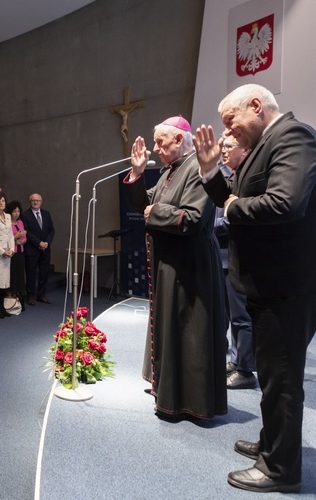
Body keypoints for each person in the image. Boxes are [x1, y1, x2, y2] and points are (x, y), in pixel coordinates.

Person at [194, 84, 316, 493]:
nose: (227, 133)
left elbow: (286, 202)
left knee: (282, 380)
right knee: (270, 375)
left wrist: (231, 207)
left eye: (231, 123)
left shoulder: (293, 137)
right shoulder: (266, 145)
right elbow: (233, 197)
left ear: (257, 107)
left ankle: (281, 469)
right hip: (268, 284)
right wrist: (211, 172)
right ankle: (271, 444)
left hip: (287, 285)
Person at [125, 115, 227, 420]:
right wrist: (138, 172)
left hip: (191, 265)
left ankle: (187, 401)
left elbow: (192, 218)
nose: (155, 149)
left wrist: (155, 212)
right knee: (172, 327)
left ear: (179, 140)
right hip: (171, 263)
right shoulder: (172, 172)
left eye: (160, 142)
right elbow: (142, 204)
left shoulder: (197, 168)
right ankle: (168, 389)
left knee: (188, 331)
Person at [213, 136, 255, 390]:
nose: (224, 150)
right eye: (223, 146)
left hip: (236, 257)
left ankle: (245, 370)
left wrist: (213, 225)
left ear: (245, 149)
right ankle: (234, 359)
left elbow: (234, 217)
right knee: (226, 316)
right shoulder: (223, 176)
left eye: (230, 146)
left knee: (242, 317)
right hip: (219, 256)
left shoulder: (245, 178)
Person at [21, 193, 55, 305]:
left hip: (45, 248)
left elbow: (51, 230)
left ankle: (41, 294)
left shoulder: (46, 214)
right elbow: (27, 232)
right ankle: (30, 296)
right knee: (31, 273)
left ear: (41, 202)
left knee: (44, 273)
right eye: (33, 200)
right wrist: (39, 242)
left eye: (38, 200)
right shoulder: (25, 215)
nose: (35, 202)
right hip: (32, 249)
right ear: (30, 202)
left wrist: (46, 243)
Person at [7, 200, 27, 303]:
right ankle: (11, 294)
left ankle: (19, 294)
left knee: (19, 273)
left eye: (18, 211)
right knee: (12, 273)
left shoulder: (20, 222)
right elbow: (7, 238)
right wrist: (16, 238)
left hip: (20, 250)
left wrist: (21, 241)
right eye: (14, 211)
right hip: (12, 251)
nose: (16, 214)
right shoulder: (7, 223)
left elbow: (24, 237)